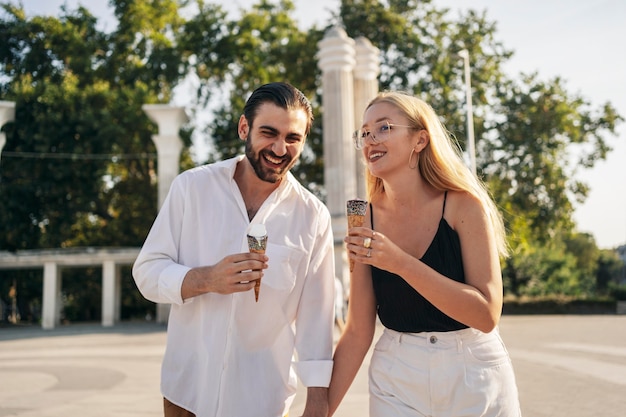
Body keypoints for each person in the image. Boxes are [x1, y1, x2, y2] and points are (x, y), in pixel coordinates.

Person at [133, 82, 336, 417]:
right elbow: (146, 271)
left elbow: (317, 317)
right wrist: (206, 279)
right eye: (268, 133)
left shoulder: (313, 217)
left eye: (292, 138)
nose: (280, 148)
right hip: (186, 394)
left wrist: (318, 400)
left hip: (262, 400)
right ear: (244, 127)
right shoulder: (191, 188)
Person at [328, 91, 521, 416]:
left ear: (420, 140)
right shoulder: (363, 218)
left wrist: (401, 263)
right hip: (396, 377)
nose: (370, 139)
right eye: (363, 133)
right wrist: (320, 409)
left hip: (475, 374)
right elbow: (359, 331)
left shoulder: (464, 205)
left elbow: (486, 315)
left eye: (384, 127)